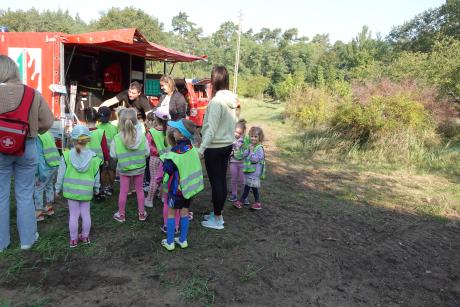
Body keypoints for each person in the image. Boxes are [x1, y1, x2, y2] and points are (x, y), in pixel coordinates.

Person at [0, 55, 53, 252]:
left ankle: (1, 243)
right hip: (27, 146)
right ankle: (28, 240)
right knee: (25, 194)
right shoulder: (33, 93)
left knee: (1, 195)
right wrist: (32, 131)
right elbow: (48, 121)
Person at [199, 66, 238, 230]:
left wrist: (201, 150)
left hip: (214, 148)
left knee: (217, 183)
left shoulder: (216, 102)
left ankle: (217, 219)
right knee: (221, 180)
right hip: (226, 145)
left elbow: (211, 129)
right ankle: (217, 213)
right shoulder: (232, 100)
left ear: (213, 80)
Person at [55, 125, 103, 248]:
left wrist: (57, 188)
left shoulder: (66, 155)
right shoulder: (94, 157)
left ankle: (73, 240)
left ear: (73, 139)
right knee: (86, 214)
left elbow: (60, 174)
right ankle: (85, 237)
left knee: (73, 215)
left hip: (70, 191)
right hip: (86, 192)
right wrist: (97, 188)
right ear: (88, 140)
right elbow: (96, 175)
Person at [161, 119, 203, 251]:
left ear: (182, 135)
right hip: (189, 189)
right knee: (185, 212)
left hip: (176, 190)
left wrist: (166, 157)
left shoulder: (175, 152)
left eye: (176, 130)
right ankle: (183, 240)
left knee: (171, 213)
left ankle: (170, 242)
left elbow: (167, 168)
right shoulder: (192, 148)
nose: (173, 132)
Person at [110, 108, 150, 222]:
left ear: (120, 122)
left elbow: (113, 155)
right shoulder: (142, 136)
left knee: (123, 191)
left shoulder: (117, 138)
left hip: (124, 169)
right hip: (139, 168)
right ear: (136, 121)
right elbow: (147, 153)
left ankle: (121, 215)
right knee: (140, 190)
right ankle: (142, 213)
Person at [233, 126, 266, 210]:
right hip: (249, 171)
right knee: (252, 187)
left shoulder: (259, 148)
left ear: (260, 137)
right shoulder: (251, 145)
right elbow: (244, 155)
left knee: (249, 187)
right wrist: (245, 149)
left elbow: (255, 159)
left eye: (256, 136)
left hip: (255, 172)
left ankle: (241, 201)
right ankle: (256, 202)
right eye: (252, 136)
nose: (253, 138)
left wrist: (251, 152)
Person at [144, 108, 168, 208]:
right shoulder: (169, 130)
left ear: (156, 119)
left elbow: (148, 147)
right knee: (165, 178)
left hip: (155, 158)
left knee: (154, 179)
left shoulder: (151, 132)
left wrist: (156, 152)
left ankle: (149, 200)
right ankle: (163, 196)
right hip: (167, 158)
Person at [34, 131, 60, 221]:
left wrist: (42, 173)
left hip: (46, 166)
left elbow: (39, 156)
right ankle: (49, 208)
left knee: (38, 188)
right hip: (55, 164)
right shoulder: (48, 133)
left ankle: (38, 213)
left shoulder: (37, 137)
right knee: (49, 186)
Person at [84, 107, 109, 200]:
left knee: (86, 175)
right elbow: (104, 147)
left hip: (85, 158)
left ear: (85, 119)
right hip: (98, 159)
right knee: (97, 176)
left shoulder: (82, 131)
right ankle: (97, 192)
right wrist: (106, 159)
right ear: (97, 119)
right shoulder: (100, 131)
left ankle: (86, 192)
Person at [97, 106, 118, 196]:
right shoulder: (114, 128)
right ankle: (111, 187)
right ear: (110, 116)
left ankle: (102, 187)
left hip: (102, 154)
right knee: (111, 171)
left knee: (103, 171)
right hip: (112, 154)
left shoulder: (97, 127)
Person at [228, 119, 250, 203]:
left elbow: (249, 149)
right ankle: (234, 194)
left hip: (242, 163)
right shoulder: (230, 138)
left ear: (243, 132)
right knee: (233, 179)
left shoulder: (246, 140)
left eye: (239, 133)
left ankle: (244, 196)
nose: (237, 134)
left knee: (242, 180)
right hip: (233, 162)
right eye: (236, 132)